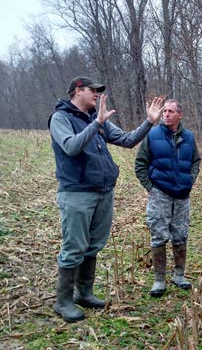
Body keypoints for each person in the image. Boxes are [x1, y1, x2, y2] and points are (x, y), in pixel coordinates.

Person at [48, 76, 165, 322]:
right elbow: (71, 146)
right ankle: (63, 301)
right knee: (74, 247)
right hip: (77, 192)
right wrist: (97, 123)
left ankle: (85, 294)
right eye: (93, 90)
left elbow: (127, 140)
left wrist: (149, 123)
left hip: (103, 191)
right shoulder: (61, 118)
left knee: (93, 245)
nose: (98, 95)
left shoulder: (95, 118)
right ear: (77, 90)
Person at [134, 99, 201, 297]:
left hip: (182, 195)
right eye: (164, 111)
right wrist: (151, 188)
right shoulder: (152, 135)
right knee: (158, 236)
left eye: (171, 111)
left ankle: (179, 275)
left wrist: (190, 179)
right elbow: (140, 164)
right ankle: (159, 279)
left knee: (181, 235)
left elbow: (196, 161)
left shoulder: (189, 137)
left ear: (180, 115)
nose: (166, 115)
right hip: (160, 194)